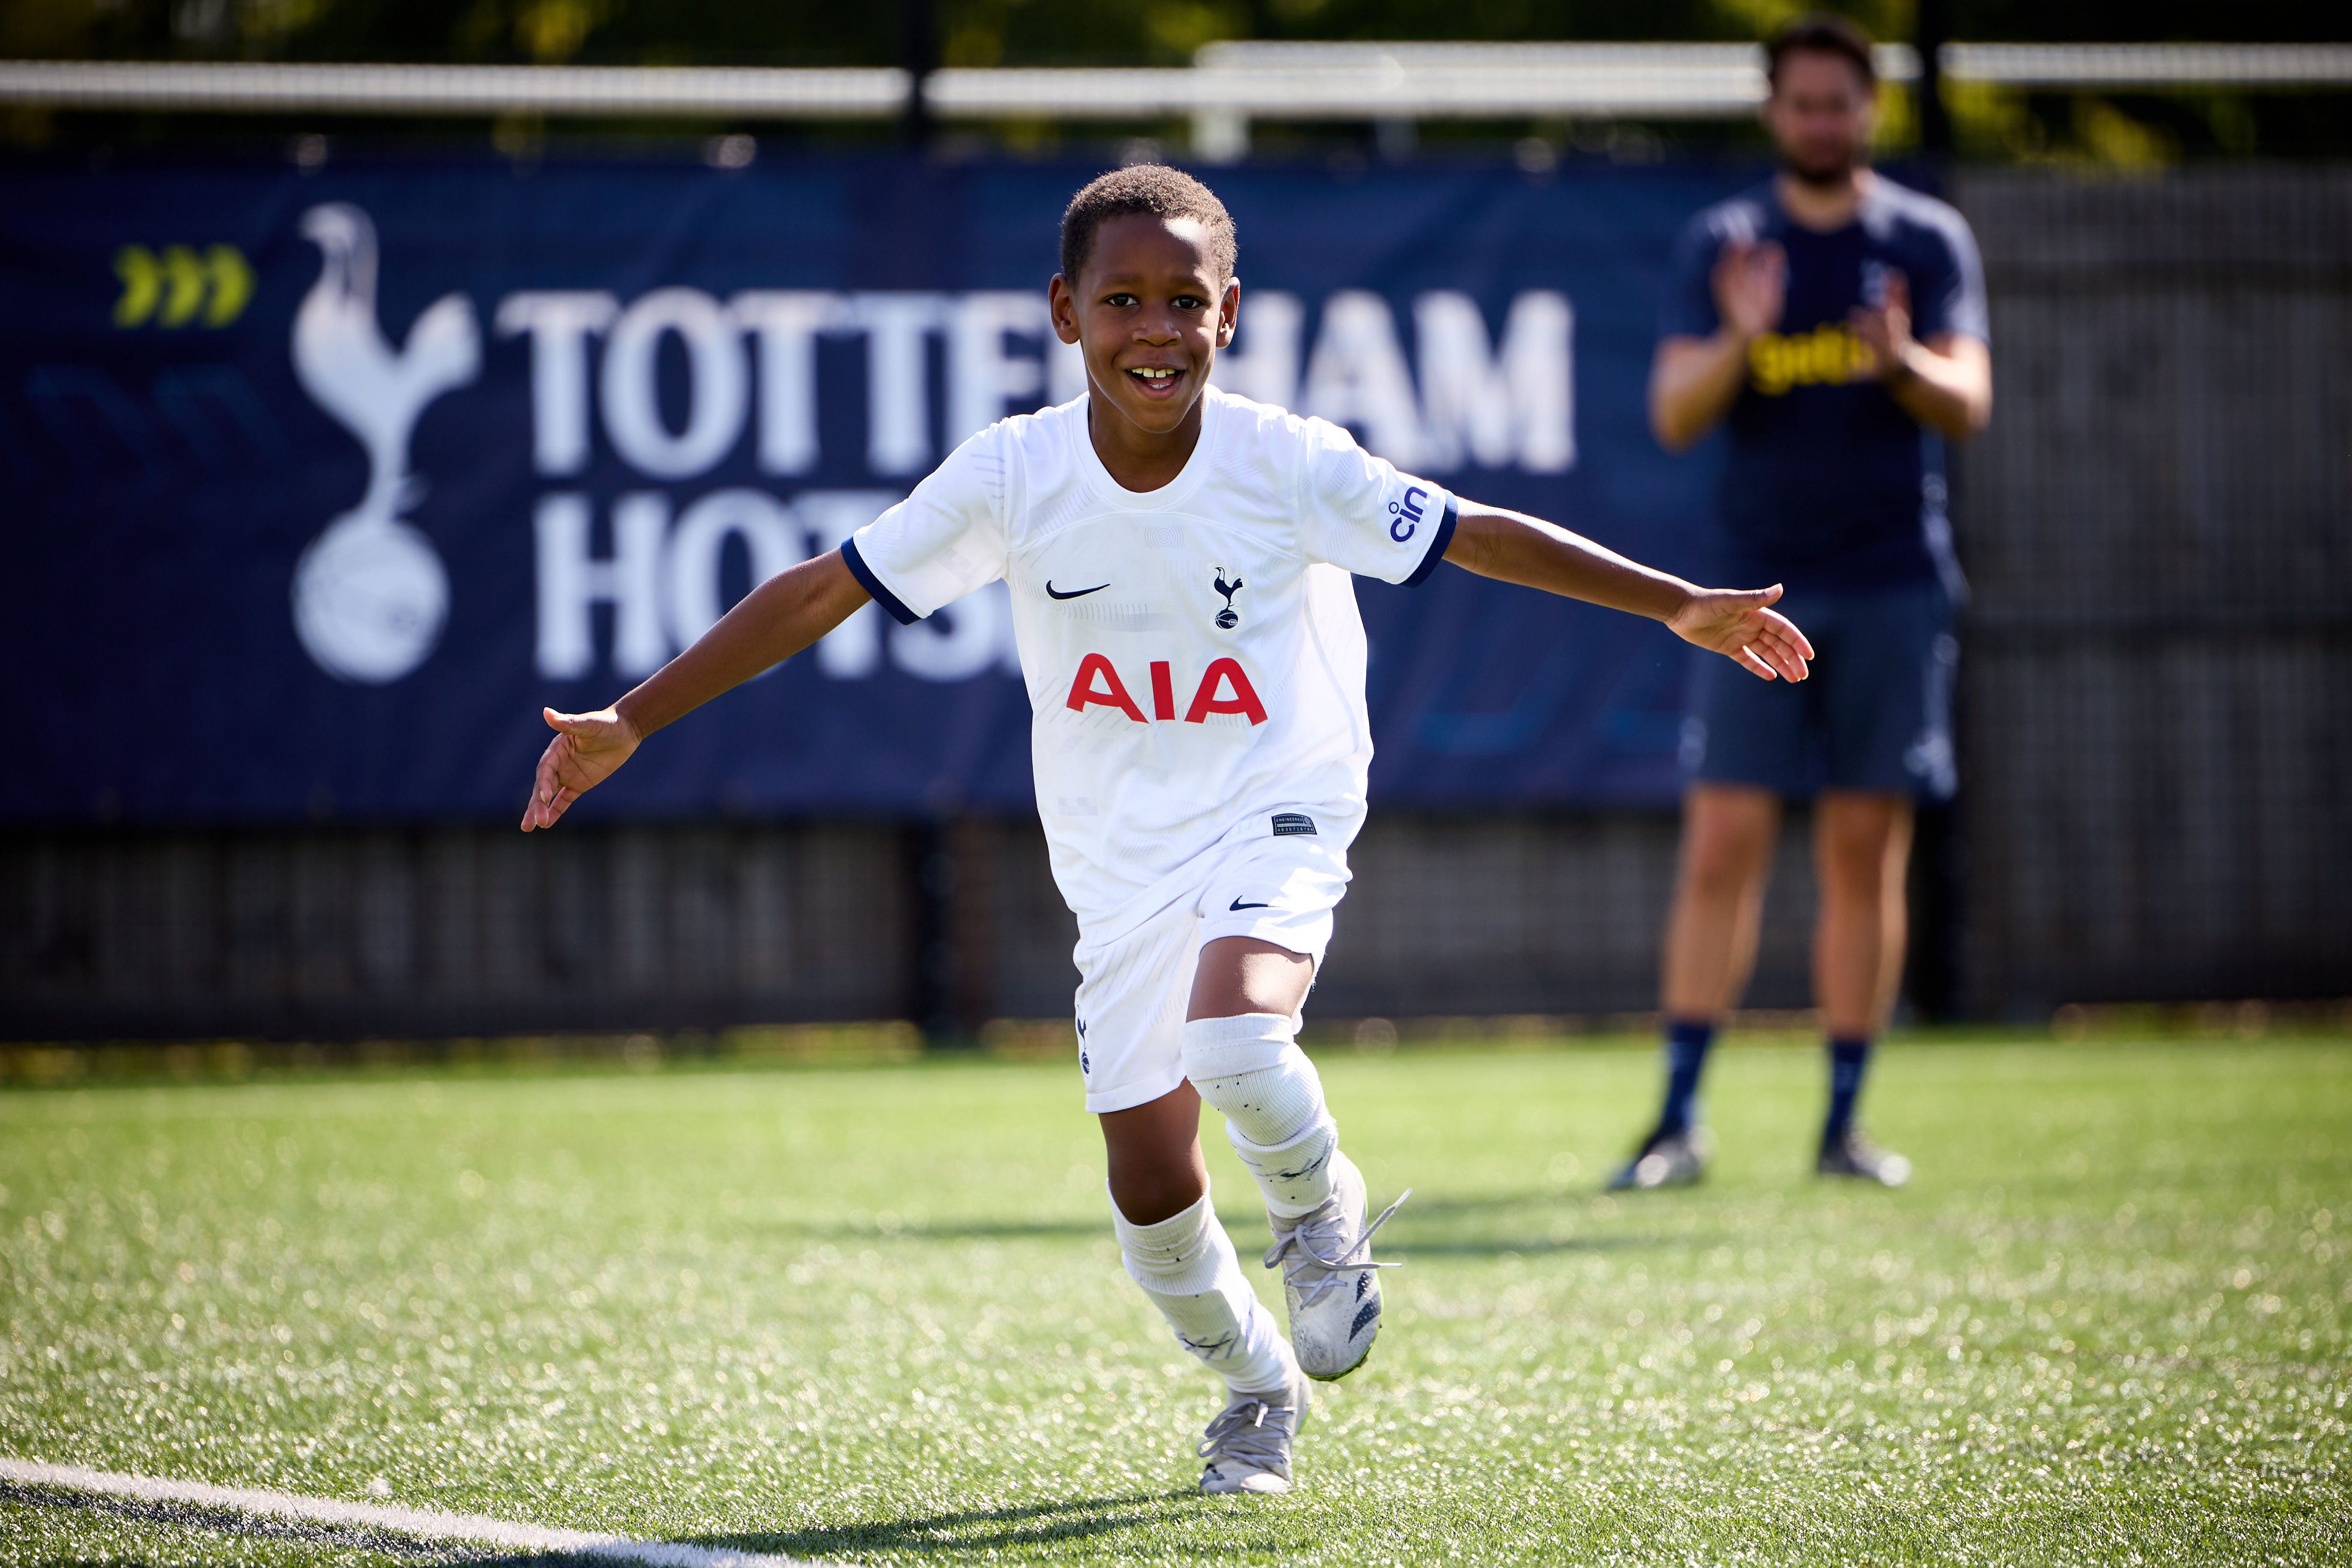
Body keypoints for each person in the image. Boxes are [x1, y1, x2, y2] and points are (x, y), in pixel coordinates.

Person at [521, 165, 1814, 1495]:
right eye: (1122, 299)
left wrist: (1673, 604)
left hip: (1283, 795)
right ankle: (1257, 1388)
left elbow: (1473, 533)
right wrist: (633, 715)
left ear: (1230, 311)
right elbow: (819, 592)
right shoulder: (1013, 474)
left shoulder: (1286, 460)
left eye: (1183, 301)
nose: (1155, 328)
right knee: (1147, 1192)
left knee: (1238, 1038)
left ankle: (1319, 1216)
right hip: (1116, 860)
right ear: (1063, 312)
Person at [1610, 15, 1992, 1193]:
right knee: (1722, 839)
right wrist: (1739, 337)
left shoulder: (1923, 240)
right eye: (1802, 102)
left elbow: (1967, 400)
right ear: (1772, 110)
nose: (1820, 121)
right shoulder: (1725, 242)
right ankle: (1676, 1119)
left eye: (1840, 102)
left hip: (1887, 579)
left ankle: (1841, 1123)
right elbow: (1674, 409)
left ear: (1867, 109)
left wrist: (1899, 363)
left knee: (1862, 846)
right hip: (1749, 582)